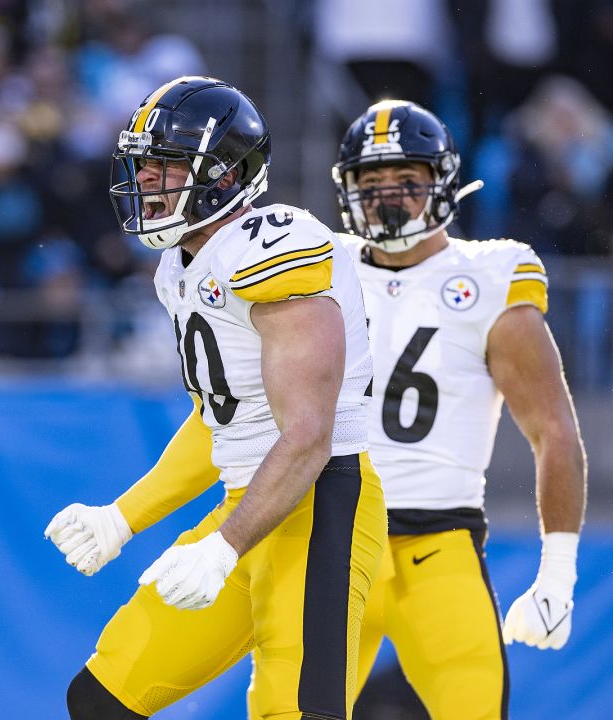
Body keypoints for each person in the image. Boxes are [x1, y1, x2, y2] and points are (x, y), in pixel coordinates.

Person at [43, 76, 386, 720]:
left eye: (165, 168)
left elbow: (308, 436)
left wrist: (225, 545)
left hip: (321, 507)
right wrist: (124, 517)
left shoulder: (276, 248)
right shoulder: (182, 266)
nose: (145, 182)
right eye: (143, 167)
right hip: (251, 504)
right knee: (101, 700)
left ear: (225, 176)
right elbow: (221, 420)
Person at [331, 100, 588, 718]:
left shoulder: (491, 274)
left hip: (438, 543)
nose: (389, 198)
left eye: (407, 183)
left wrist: (558, 575)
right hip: (329, 544)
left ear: (441, 184)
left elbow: (554, 430)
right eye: (372, 183)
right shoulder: (317, 269)